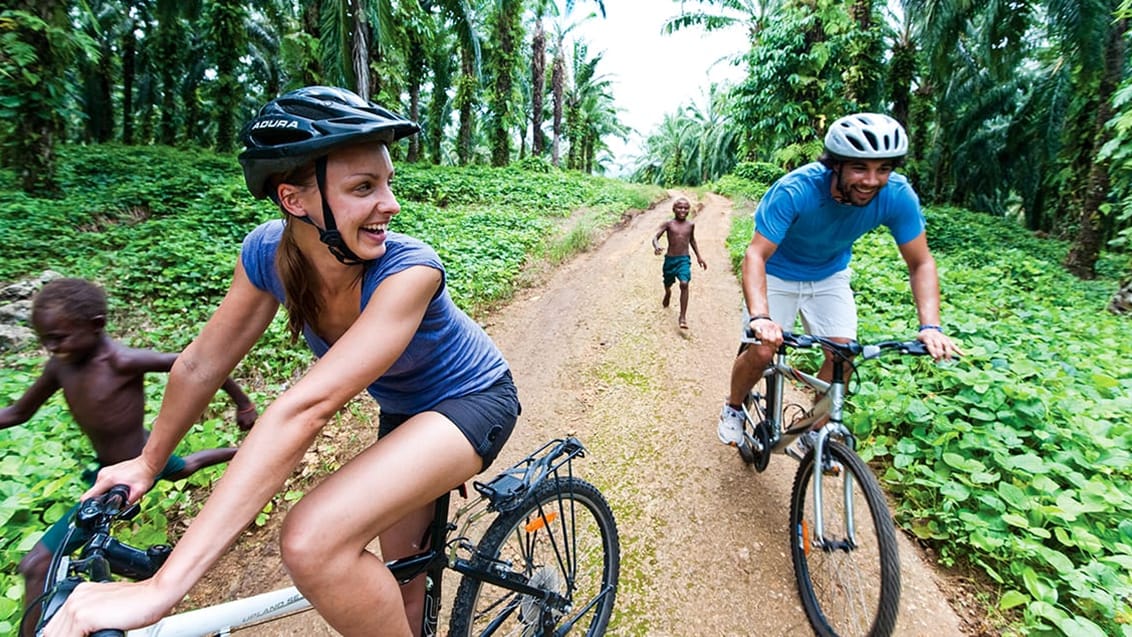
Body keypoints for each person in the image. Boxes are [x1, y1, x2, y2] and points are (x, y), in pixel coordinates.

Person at [41, 86, 520, 637]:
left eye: (387, 183)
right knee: (402, 589)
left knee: (312, 540)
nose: (390, 204)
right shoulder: (267, 256)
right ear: (295, 200)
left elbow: (305, 409)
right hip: (404, 415)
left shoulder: (410, 271)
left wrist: (161, 589)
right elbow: (201, 365)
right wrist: (147, 464)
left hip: (474, 400)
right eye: (364, 187)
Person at [0, 277, 258, 637]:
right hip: (111, 473)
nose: (51, 347)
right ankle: (243, 453)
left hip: (133, 468)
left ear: (96, 325)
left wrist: (243, 403)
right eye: (45, 339)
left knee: (37, 564)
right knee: (184, 467)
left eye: (59, 337)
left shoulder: (121, 361)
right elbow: (17, 413)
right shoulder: (61, 367)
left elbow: (198, 365)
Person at [716, 112, 961, 448]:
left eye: (884, 169)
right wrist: (761, 317)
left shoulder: (897, 195)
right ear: (836, 165)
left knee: (843, 355)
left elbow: (921, 262)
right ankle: (733, 408)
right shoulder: (795, 191)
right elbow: (756, 255)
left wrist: (931, 326)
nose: (872, 180)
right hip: (777, 273)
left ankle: (810, 429)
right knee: (762, 351)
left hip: (829, 276)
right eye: (860, 168)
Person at [652, 197, 707, 328]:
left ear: (689, 210)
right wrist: (656, 246)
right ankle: (668, 292)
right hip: (670, 260)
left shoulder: (690, 225)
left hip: (684, 259)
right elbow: (655, 237)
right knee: (667, 282)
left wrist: (699, 257)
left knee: (684, 283)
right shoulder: (669, 224)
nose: (683, 210)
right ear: (674, 209)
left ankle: (682, 317)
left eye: (686, 208)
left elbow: (692, 241)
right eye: (680, 207)